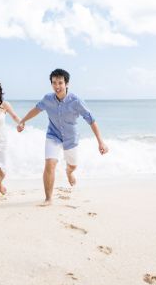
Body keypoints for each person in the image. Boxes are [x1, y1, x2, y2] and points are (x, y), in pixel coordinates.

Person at [16, 68, 108, 206]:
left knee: (72, 165)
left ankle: (69, 172)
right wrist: (22, 121)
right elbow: (36, 109)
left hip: (71, 139)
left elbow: (91, 120)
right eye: (54, 83)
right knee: (49, 164)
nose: (57, 86)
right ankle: (48, 198)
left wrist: (101, 142)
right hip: (53, 136)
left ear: (66, 84)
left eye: (60, 83)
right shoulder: (47, 99)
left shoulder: (76, 101)